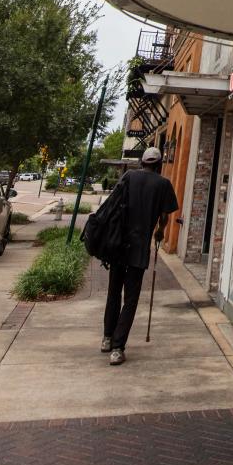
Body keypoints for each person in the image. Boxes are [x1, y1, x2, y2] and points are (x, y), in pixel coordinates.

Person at [102, 146, 178, 364]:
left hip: (118, 243)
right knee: (131, 298)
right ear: (159, 164)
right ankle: (118, 347)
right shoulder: (163, 184)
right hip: (139, 246)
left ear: (142, 162)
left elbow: (112, 205)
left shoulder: (128, 177)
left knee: (113, 292)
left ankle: (107, 338)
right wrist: (160, 231)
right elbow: (164, 216)